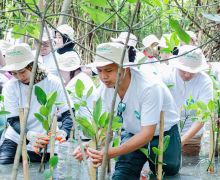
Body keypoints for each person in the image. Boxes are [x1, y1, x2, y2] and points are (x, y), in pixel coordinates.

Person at [73, 42, 181, 178]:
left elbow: (147, 133)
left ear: (126, 69)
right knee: (121, 176)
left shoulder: (149, 87)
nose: (103, 77)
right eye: (100, 71)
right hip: (131, 134)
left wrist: (110, 153)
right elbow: (108, 130)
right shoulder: (104, 90)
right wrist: (90, 145)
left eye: (109, 70)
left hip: (164, 135)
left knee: (166, 175)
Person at [0, 44, 73, 164]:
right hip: (16, 139)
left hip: (45, 141)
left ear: (33, 65)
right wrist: (29, 135)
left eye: (22, 71)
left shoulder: (53, 82)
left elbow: (68, 112)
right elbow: (13, 119)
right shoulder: (10, 87)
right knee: (4, 169)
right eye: (14, 73)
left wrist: (64, 132)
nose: (19, 77)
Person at [162, 45, 213, 156]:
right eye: (183, 70)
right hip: (166, 131)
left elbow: (202, 116)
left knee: (189, 163)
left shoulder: (205, 82)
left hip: (192, 135)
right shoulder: (166, 76)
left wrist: (182, 141)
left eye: (192, 72)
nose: (187, 74)